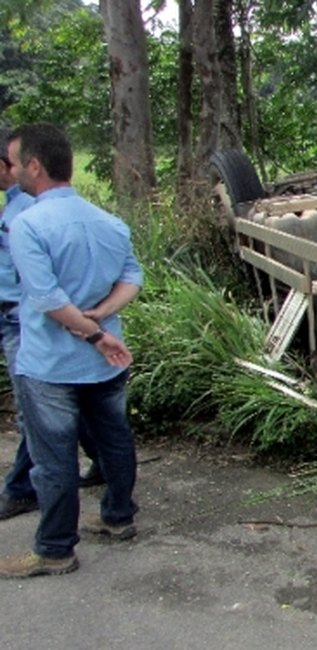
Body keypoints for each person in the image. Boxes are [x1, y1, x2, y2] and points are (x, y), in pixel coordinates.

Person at [0, 123, 143, 578]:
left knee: (54, 459)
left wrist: (92, 331)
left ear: (35, 166)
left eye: (18, 161)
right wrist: (101, 317)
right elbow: (132, 279)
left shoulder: (27, 225)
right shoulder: (109, 221)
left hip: (53, 365)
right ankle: (119, 518)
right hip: (106, 362)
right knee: (115, 440)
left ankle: (54, 549)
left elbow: (46, 299)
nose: (15, 170)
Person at [0, 130, 105, 524]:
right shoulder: (17, 208)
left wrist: (93, 330)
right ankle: (106, 465)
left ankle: (27, 498)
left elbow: (47, 292)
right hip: (22, 316)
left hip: (29, 320)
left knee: (40, 412)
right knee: (70, 406)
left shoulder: (31, 214)